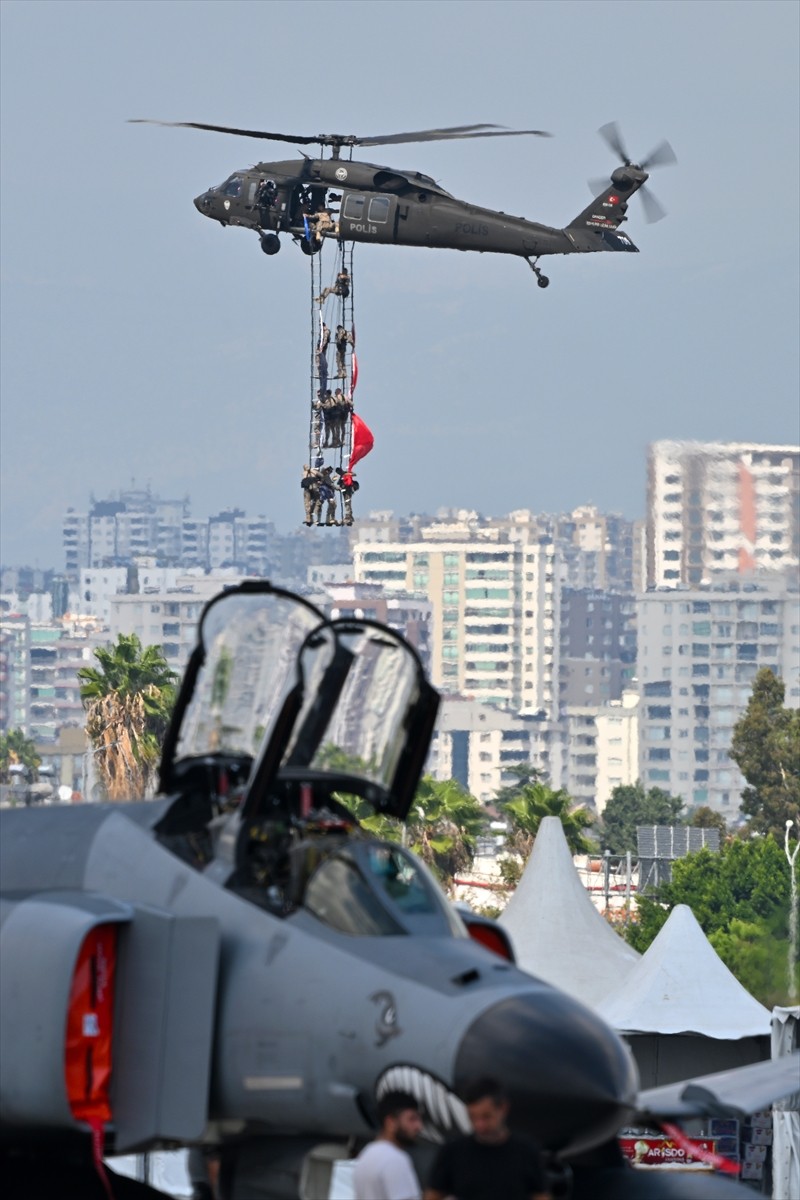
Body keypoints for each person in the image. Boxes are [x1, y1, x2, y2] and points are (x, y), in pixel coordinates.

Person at [424, 1077, 550, 1200]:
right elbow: (433, 1195)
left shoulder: (527, 1151)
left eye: (486, 1117)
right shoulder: (452, 1152)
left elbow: (541, 1195)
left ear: (503, 1108)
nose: (480, 1125)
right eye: (473, 1117)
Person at [353, 1091, 423, 1200]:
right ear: (390, 1122)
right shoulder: (395, 1159)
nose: (418, 1126)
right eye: (412, 1119)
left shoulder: (366, 1155)